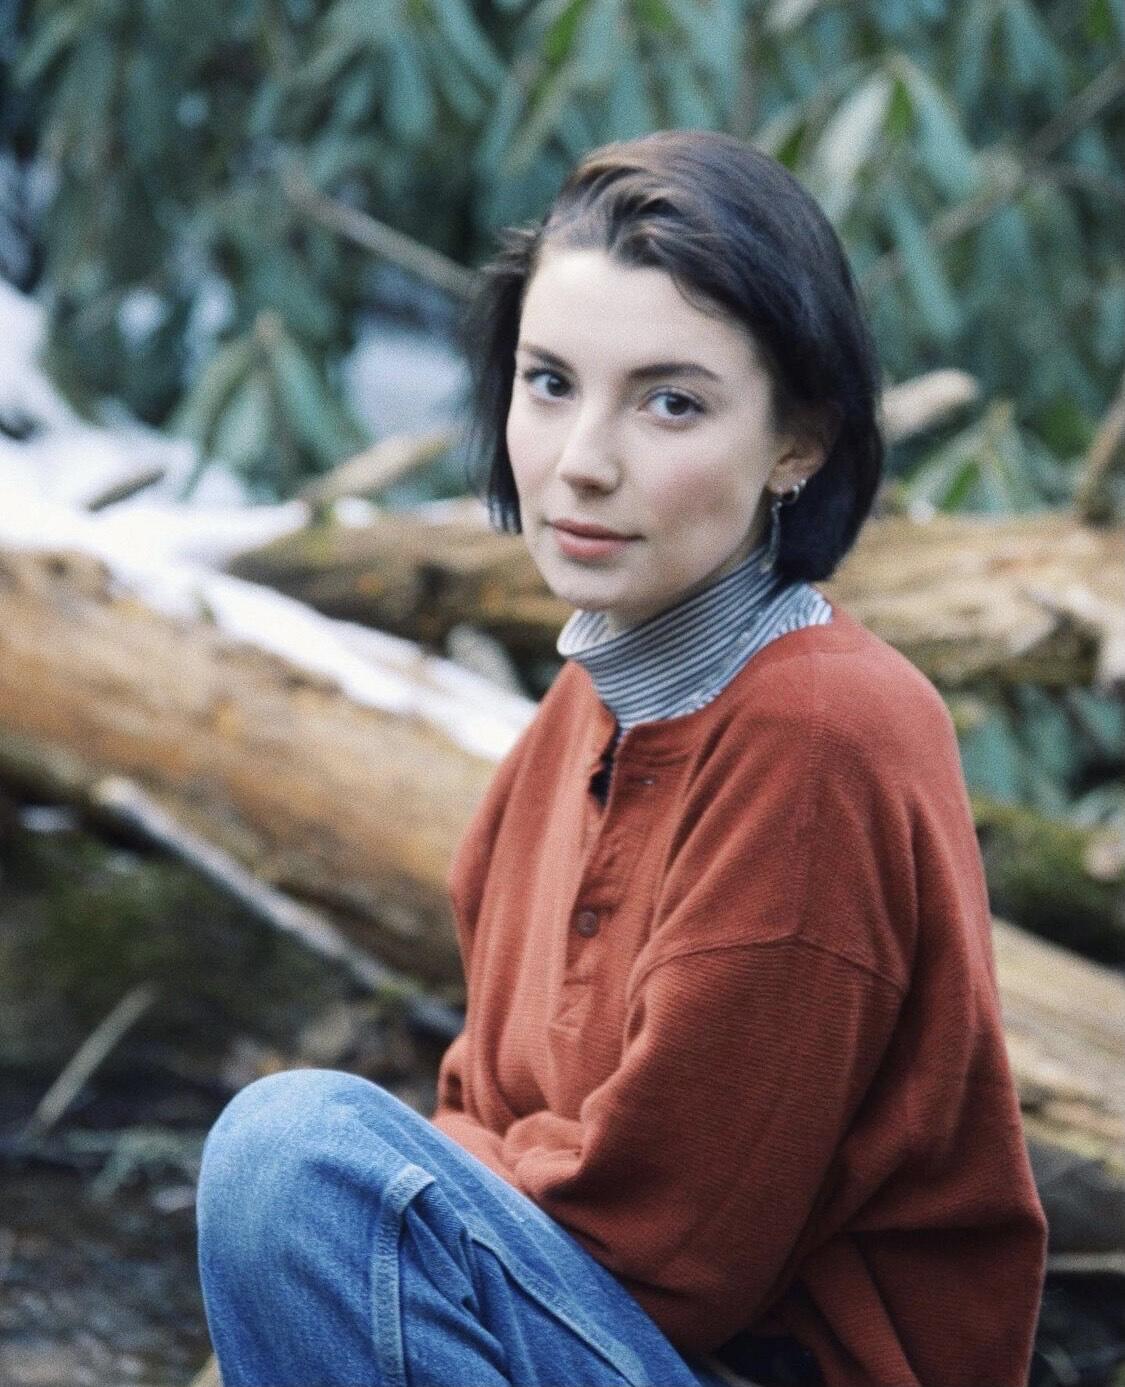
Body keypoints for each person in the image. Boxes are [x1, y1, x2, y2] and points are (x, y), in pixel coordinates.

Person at [196, 130, 1048, 1387]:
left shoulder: (822, 737)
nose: (582, 461)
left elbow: (675, 1247)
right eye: (549, 382)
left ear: (799, 441)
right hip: (612, 1333)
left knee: (291, 1155)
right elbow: (477, 1105)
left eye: (670, 401)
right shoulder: (584, 709)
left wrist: (391, 1197)